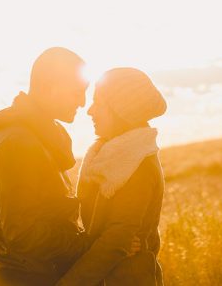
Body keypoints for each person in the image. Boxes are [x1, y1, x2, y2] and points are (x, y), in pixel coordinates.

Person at [0, 47, 90, 286]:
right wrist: (90, 243)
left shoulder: (37, 137)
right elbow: (24, 236)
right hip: (29, 279)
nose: (83, 102)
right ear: (51, 87)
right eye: (78, 92)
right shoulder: (19, 142)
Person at [57, 67, 167, 286]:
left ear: (122, 111)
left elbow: (116, 240)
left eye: (98, 103)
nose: (90, 111)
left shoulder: (137, 165)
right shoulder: (111, 160)